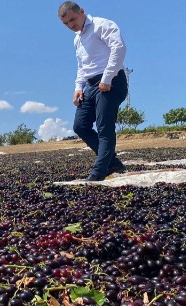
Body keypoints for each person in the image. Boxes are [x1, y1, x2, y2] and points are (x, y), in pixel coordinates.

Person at [58, 1, 128, 181]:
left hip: (110, 82)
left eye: (72, 20)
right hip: (89, 86)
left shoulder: (102, 25)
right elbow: (82, 66)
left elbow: (118, 48)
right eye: (66, 24)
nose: (70, 25)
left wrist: (107, 78)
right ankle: (112, 163)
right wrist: (78, 87)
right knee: (80, 126)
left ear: (81, 11)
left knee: (104, 127)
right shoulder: (77, 38)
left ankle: (98, 173)